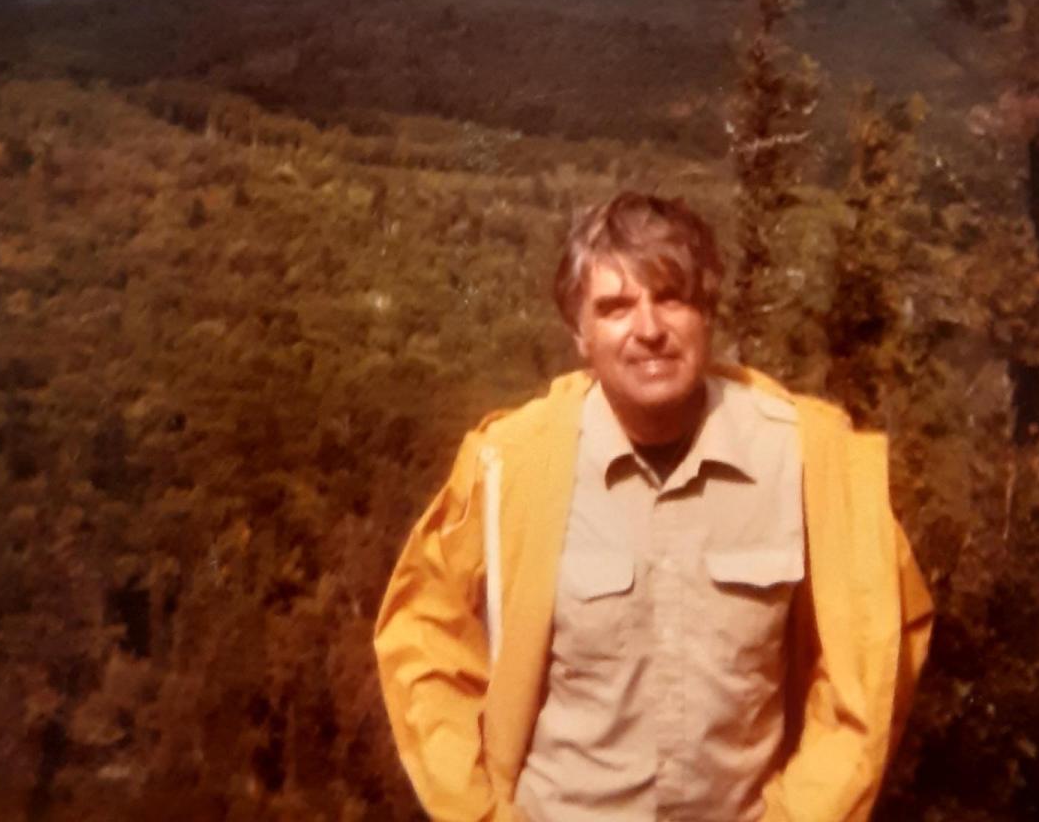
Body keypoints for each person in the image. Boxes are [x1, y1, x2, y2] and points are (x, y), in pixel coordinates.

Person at [375, 192, 932, 822]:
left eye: (670, 297)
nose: (648, 329)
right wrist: (480, 812)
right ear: (579, 334)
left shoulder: (807, 458)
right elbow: (422, 641)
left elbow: (874, 659)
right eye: (614, 307)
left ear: (707, 313)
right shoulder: (509, 466)